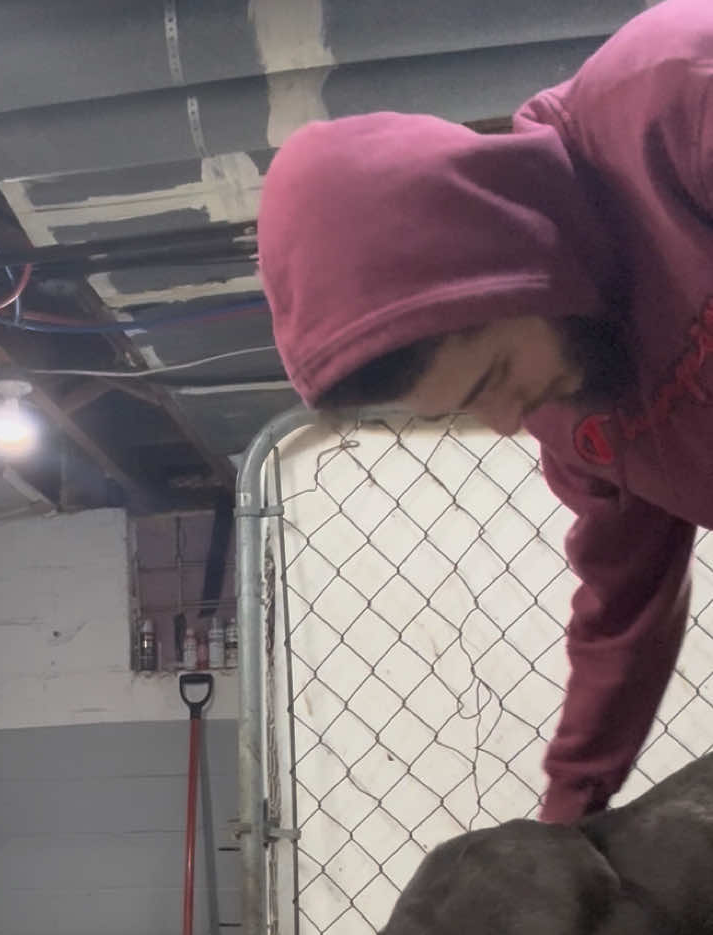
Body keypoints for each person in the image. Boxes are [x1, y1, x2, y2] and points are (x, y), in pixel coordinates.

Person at [256, 0, 713, 827]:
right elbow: (624, 608)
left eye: (494, 374)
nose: (508, 422)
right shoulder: (577, 415)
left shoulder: (678, 99)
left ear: (520, 265)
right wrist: (564, 825)